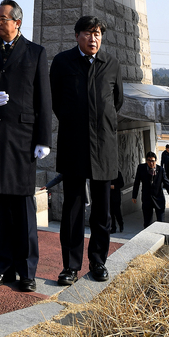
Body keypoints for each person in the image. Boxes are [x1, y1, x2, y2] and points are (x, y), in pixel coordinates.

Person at [0, 0, 51, 293]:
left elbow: (44, 99)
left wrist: (44, 139)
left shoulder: (35, 53)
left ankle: (27, 271)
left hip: (22, 142)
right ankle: (1, 268)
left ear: (17, 22)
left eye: (3, 18)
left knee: (23, 208)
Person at [50, 15, 124, 286]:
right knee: (72, 209)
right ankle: (70, 266)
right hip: (73, 145)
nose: (94, 39)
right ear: (77, 35)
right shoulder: (62, 62)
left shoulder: (112, 64)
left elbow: (117, 102)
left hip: (104, 147)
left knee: (102, 211)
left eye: (98, 34)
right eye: (89, 33)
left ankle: (98, 261)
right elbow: (55, 101)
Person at [132, 152, 169, 227]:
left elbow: (167, 184)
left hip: (159, 199)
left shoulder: (161, 169)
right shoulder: (141, 168)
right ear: (146, 161)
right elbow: (137, 182)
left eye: (153, 161)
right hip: (147, 199)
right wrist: (134, 195)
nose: (151, 163)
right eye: (149, 160)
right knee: (147, 223)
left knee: (161, 223)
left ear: (156, 161)